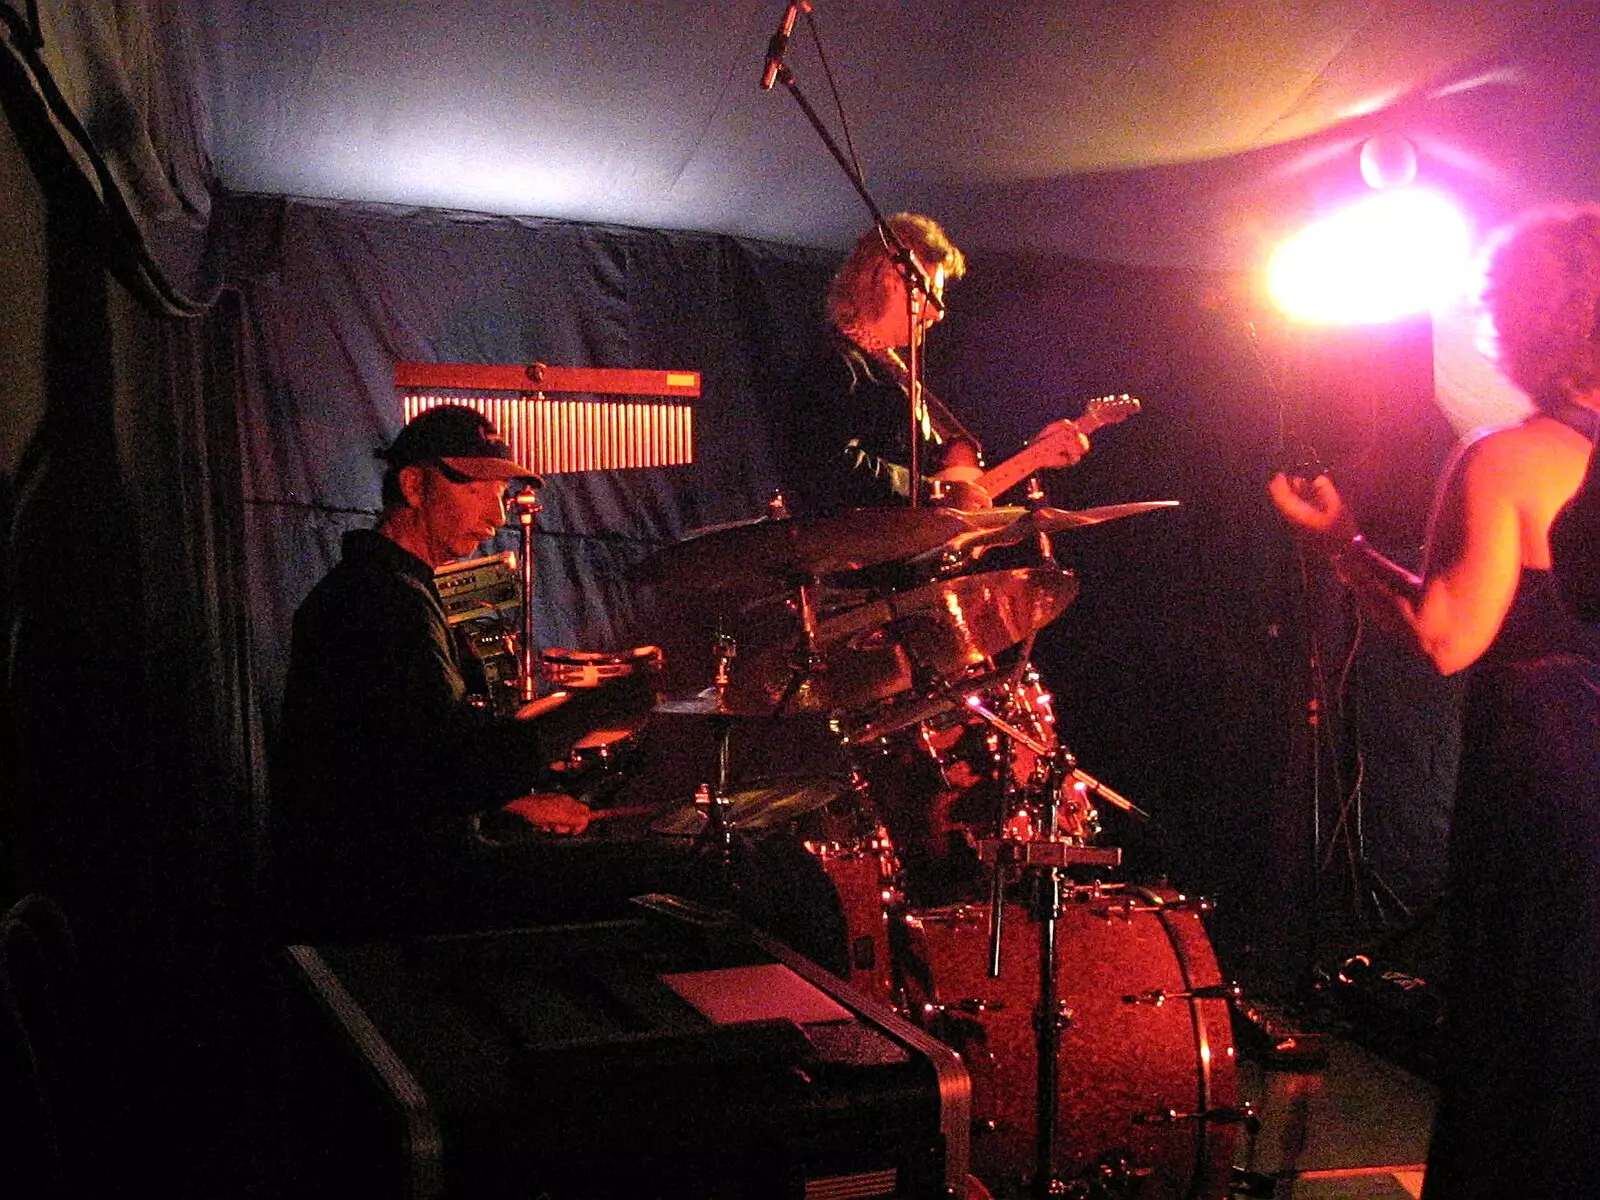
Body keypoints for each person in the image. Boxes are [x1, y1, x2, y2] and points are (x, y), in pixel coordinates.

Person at [1269, 204, 1600, 1199]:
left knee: (1527, 1027)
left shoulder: (1508, 458)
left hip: (1549, 781)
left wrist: (1342, 545)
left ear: (1527, 322)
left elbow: (1448, 634)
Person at [272, 404, 666, 939]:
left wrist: (514, 801)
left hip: (391, 866)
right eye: (477, 492)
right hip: (393, 893)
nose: (497, 516)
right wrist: (592, 708)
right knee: (671, 876)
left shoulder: (387, 585)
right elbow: (453, 771)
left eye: (501, 496)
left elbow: (397, 766)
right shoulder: (382, 602)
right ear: (414, 486)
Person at [780, 212, 1088, 516]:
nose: (937, 314)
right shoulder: (834, 365)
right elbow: (822, 464)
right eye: (932, 293)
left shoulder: (892, 369)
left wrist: (1033, 451)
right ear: (891, 280)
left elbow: (947, 473)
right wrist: (934, 492)